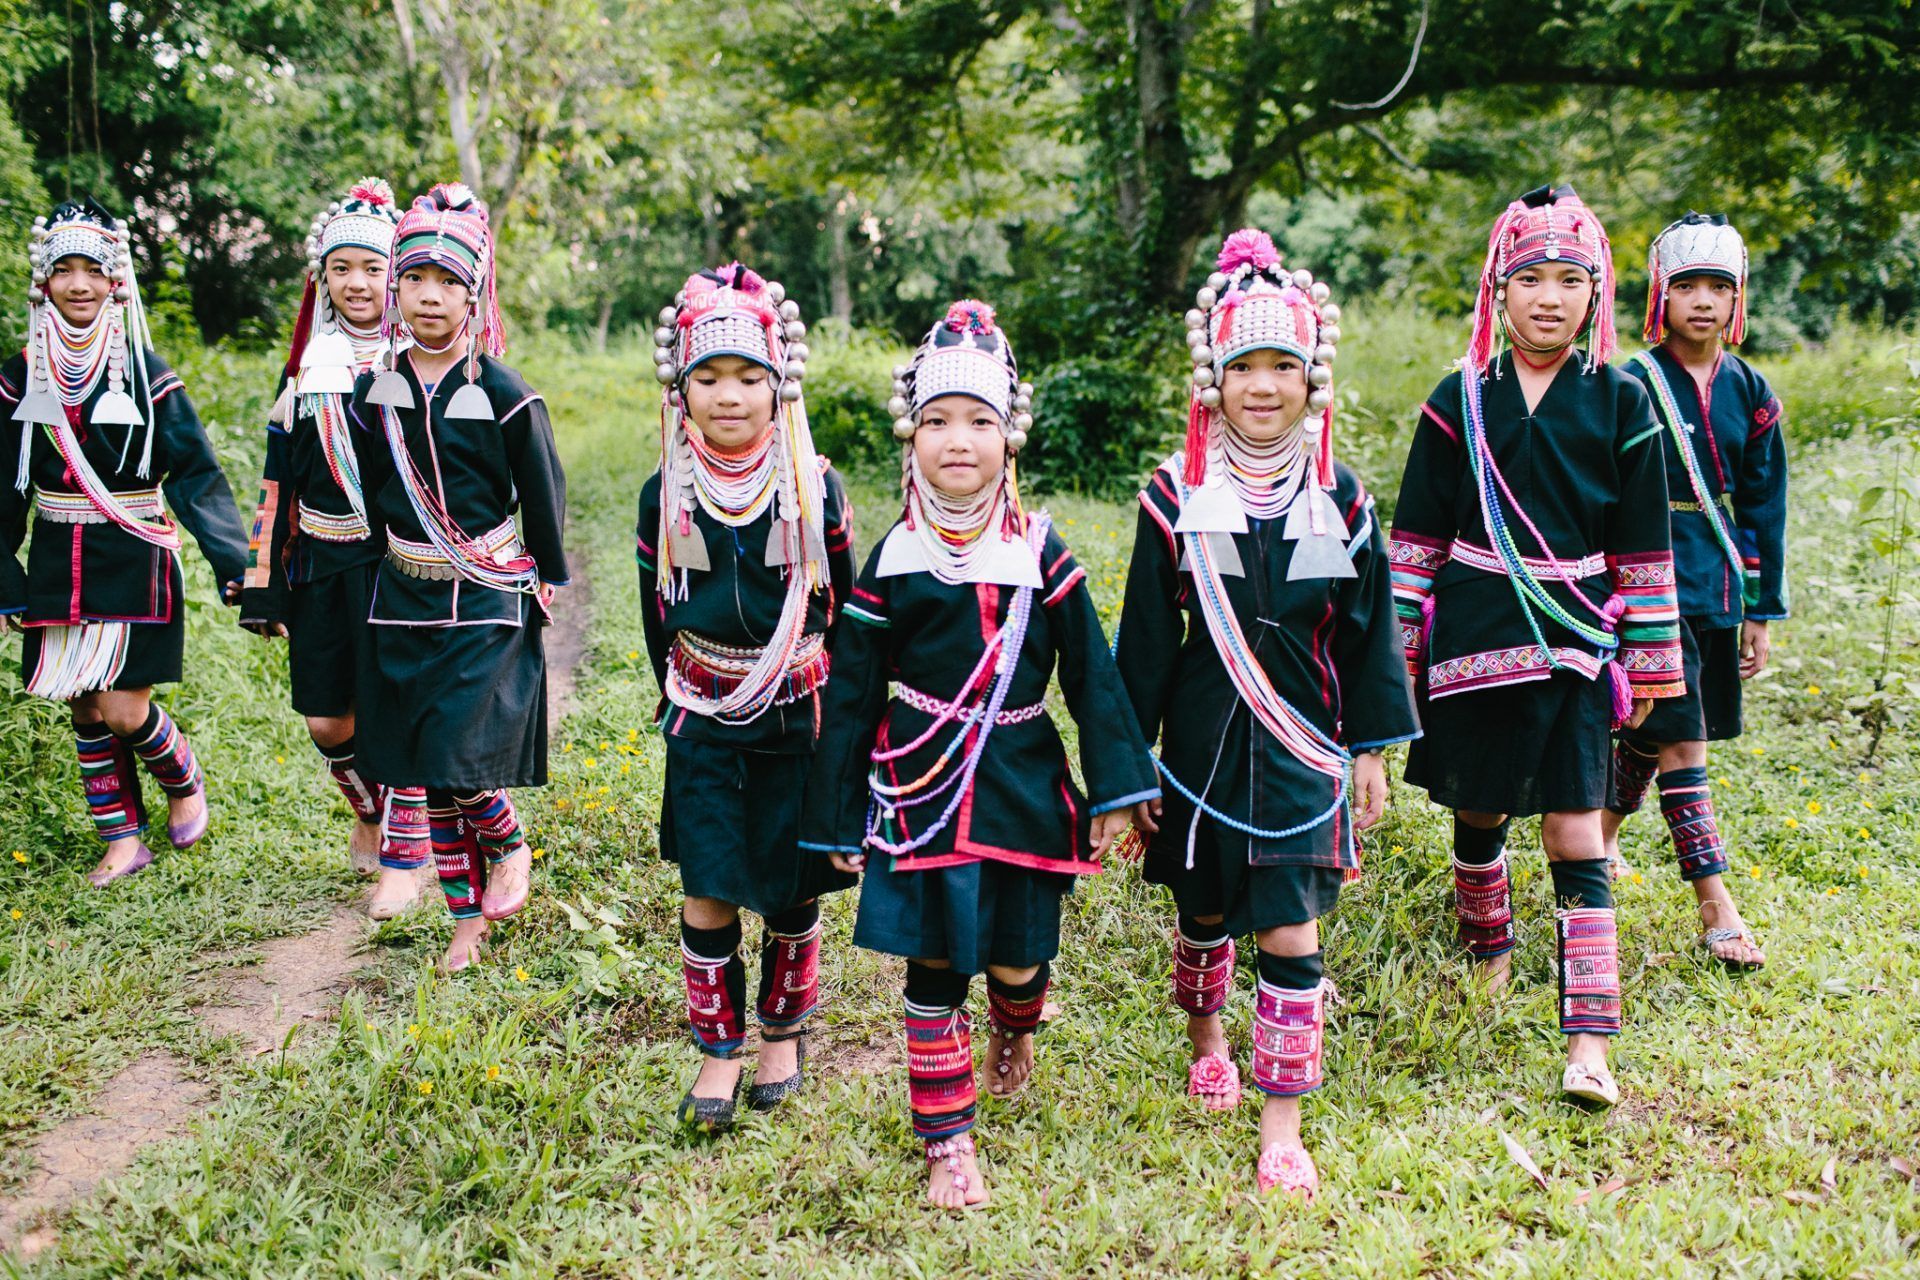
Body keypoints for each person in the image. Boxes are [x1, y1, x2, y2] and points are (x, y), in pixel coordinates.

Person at [802, 300, 1159, 1210]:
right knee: (934, 970)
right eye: (937, 422)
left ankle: (1016, 1028)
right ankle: (947, 1141)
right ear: (910, 437)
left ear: (1011, 438)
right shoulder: (894, 558)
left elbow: (1092, 675)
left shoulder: (1041, 552)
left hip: (1023, 787)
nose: (957, 441)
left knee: (1016, 962)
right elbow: (850, 696)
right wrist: (838, 814)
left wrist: (1119, 786)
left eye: (979, 422)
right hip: (919, 792)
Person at [1113, 230, 1418, 1198]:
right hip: (1200, 748)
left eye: (1282, 364)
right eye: (1242, 363)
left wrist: (1370, 748)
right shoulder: (1173, 497)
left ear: (1310, 376)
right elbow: (1144, 647)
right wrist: (1126, 773)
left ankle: (1282, 1123)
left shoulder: (1343, 497)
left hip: (1307, 748)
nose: (1262, 384)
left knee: (1291, 933)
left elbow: (1369, 635)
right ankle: (1209, 1038)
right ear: (1212, 375)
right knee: (1202, 912)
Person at [1390, 185, 1684, 1108]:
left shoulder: (1624, 399)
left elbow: (1644, 546)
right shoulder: (1459, 397)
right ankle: (1488, 956)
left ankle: (1589, 1039)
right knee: (1476, 813)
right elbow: (1417, 538)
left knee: (1574, 825)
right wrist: (1396, 654)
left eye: (1570, 279)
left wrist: (1651, 662)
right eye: (1530, 280)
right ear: (1498, 291)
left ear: (1596, 293)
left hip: (1574, 639)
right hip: (1473, 631)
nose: (1549, 297)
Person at [637, 263, 857, 1129]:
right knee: (708, 884)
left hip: (796, 714)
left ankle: (781, 1034)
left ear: (780, 386)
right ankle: (717, 1050)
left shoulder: (813, 487)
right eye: (709, 379)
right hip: (700, 713)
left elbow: (842, 606)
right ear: (681, 389)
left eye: (749, 378)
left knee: (790, 885)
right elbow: (656, 612)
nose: (729, 397)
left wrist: (841, 725)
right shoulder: (666, 492)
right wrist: (682, 696)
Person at [347, 183, 567, 973]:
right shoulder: (378, 390)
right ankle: (465, 922)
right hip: (402, 596)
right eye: (416, 280)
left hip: (485, 590)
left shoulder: (505, 393)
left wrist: (545, 579)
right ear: (395, 289)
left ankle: (510, 844)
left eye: (449, 283)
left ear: (475, 295)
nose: (431, 297)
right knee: (427, 772)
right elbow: (374, 492)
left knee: (455, 756)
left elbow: (543, 493)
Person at [1, 198, 250, 886]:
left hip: (133, 554)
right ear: (43, 282)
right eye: (64, 270)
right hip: (58, 559)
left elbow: (197, 474)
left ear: (117, 282)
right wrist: (5, 574)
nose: (78, 284)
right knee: (83, 704)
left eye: (92, 270)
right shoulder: (22, 373)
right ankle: (122, 839)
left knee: (123, 707)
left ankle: (184, 778)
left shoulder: (145, 371)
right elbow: (4, 486)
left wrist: (236, 566)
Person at [239, 180, 430, 918]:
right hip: (322, 561)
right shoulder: (306, 371)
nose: (358, 283)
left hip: (398, 566)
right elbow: (276, 484)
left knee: (400, 706)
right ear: (323, 278)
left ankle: (407, 862)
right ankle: (372, 811)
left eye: (375, 269)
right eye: (342, 268)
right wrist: (265, 584)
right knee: (329, 721)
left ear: (397, 277)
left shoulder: (421, 365)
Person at [1601, 213, 1787, 970]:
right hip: (1643, 581)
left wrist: (1761, 608)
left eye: (1719, 286)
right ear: (1661, 296)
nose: (1703, 301)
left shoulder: (1752, 388)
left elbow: (1765, 501)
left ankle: (1602, 833)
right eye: (1687, 286)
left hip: (1715, 578)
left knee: (1657, 723)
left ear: (1737, 298)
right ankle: (1716, 903)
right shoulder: (1628, 383)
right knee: (1684, 735)